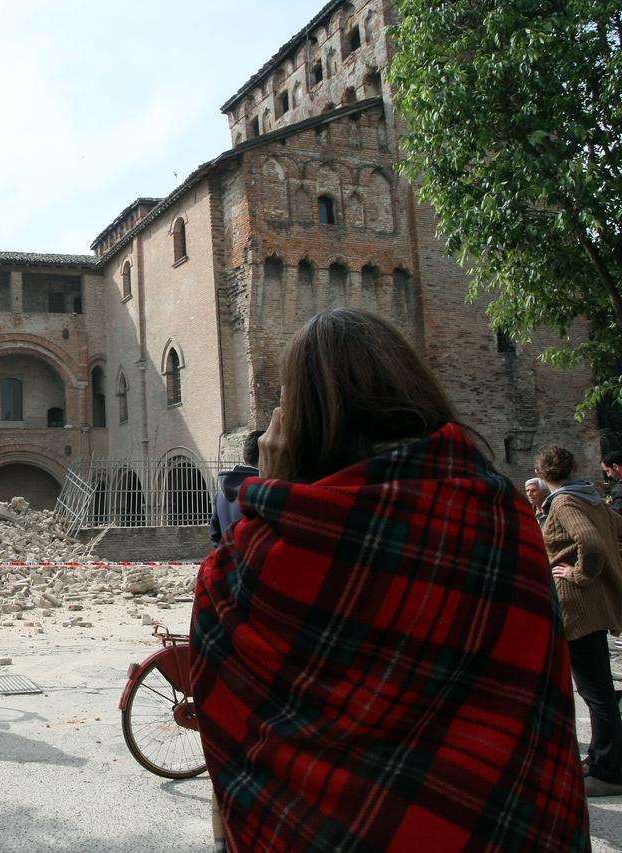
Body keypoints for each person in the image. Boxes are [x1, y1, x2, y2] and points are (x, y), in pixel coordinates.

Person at [190, 308, 586, 850]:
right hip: (497, 822)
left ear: (295, 420)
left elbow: (231, 692)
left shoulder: (258, 561)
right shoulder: (502, 513)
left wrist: (272, 494)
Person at [535, 444, 622, 797]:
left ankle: (609, 771)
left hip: (578, 606)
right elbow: (615, 527)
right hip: (594, 606)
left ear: (541, 473)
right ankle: (604, 759)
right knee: (598, 689)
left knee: (595, 692)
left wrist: (578, 574)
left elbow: (589, 541)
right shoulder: (590, 497)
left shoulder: (565, 502)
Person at [208, 430, 263, 547]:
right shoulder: (264, 493)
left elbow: (215, 537)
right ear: (266, 456)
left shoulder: (220, 495)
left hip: (230, 562)